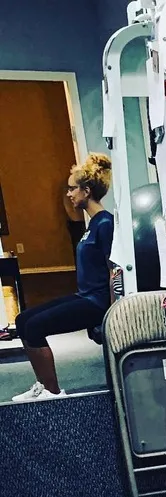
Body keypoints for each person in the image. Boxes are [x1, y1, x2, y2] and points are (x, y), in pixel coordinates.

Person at [3, 153, 114, 402]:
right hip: (84, 296)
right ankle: (42, 385)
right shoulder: (92, 224)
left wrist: (113, 312)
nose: (69, 194)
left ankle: (52, 393)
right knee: (23, 320)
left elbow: (113, 270)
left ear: (86, 191)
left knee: (34, 327)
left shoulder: (105, 223)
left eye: (72, 188)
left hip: (97, 303)